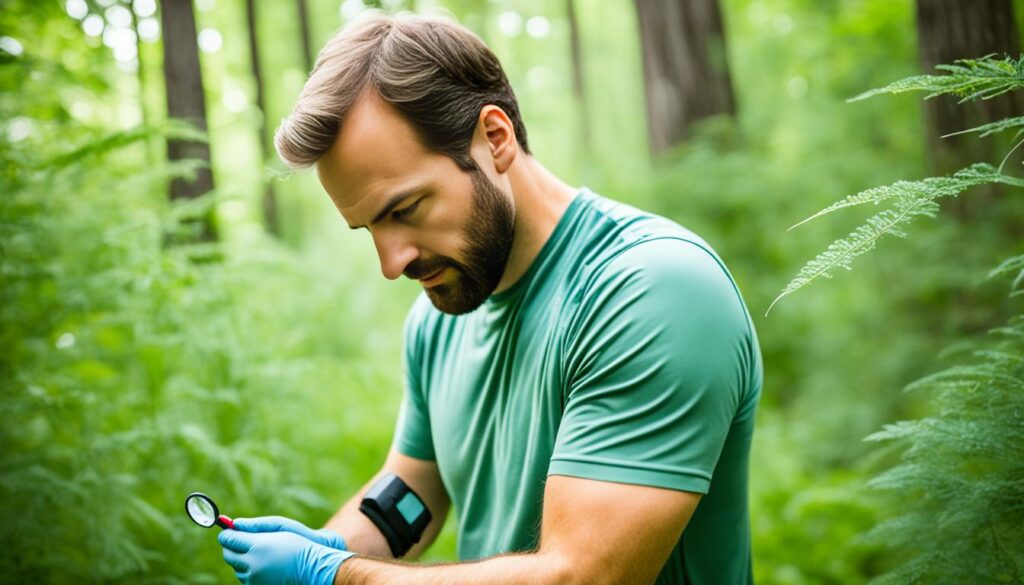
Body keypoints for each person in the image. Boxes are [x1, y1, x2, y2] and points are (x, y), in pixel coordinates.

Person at [217, 11, 762, 585]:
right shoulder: (441, 314)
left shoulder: (654, 291)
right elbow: (413, 491)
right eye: (369, 229)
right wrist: (333, 543)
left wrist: (338, 575)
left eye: (404, 210)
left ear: (494, 139)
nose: (391, 262)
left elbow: (583, 576)